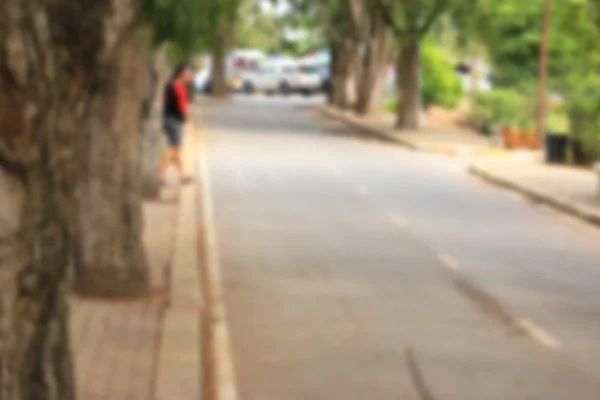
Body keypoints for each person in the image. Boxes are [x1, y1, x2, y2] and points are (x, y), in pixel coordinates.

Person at [158, 62, 193, 184]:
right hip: (175, 121)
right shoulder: (179, 87)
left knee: (176, 150)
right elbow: (183, 107)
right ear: (181, 74)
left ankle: (183, 176)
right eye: (188, 73)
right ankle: (160, 175)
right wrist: (186, 118)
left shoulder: (169, 84)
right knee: (173, 149)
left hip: (166, 118)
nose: (190, 76)